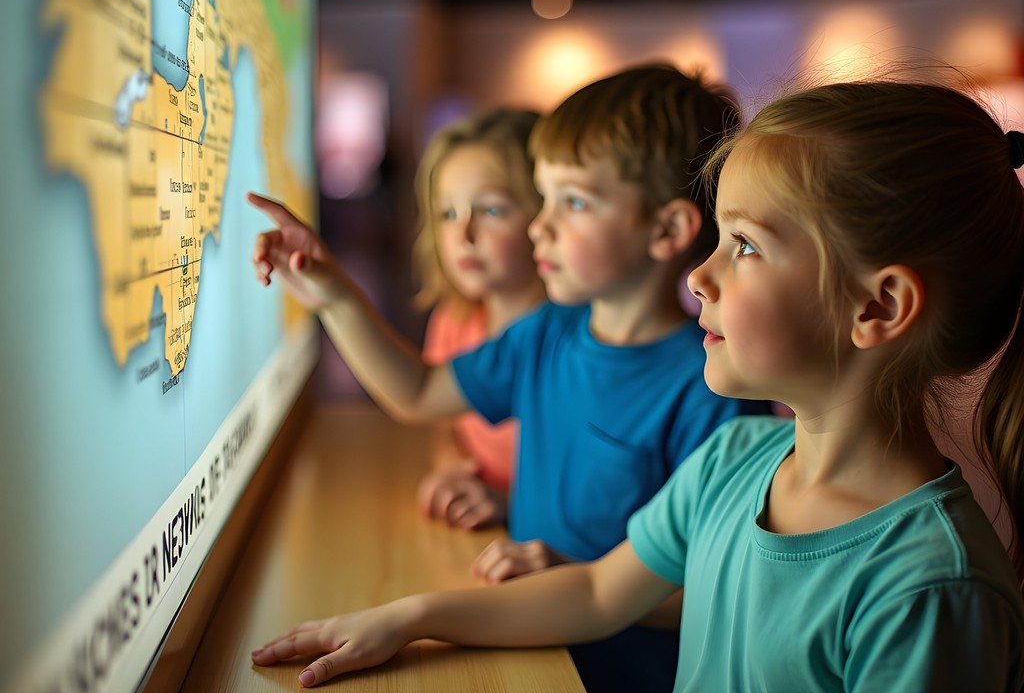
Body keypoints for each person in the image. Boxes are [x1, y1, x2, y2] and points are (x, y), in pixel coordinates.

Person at [251, 77, 1024, 691]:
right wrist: (411, 616)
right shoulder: (733, 465)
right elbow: (593, 594)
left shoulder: (932, 590)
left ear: (879, 305)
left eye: (746, 247)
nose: (702, 275)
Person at [248, 63, 767, 691]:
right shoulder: (545, 334)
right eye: (542, 199)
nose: (538, 226)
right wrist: (331, 294)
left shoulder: (712, 388)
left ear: (666, 230)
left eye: (573, 202)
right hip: (523, 647)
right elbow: (418, 393)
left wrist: (576, 568)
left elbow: (712, 591)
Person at [410, 107, 546, 531]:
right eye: (448, 214)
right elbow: (446, 423)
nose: (462, 235)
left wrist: (508, 502)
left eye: (491, 210)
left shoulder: (575, 340)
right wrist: (453, 468)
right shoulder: (454, 320)